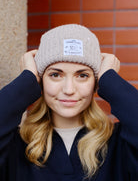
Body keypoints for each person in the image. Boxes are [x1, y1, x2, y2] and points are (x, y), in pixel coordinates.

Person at [0, 24, 137, 181]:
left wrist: (110, 80)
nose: (69, 89)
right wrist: (26, 80)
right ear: (40, 80)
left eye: (82, 75)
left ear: (96, 82)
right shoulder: (15, 144)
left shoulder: (120, 144)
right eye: (56, 75)